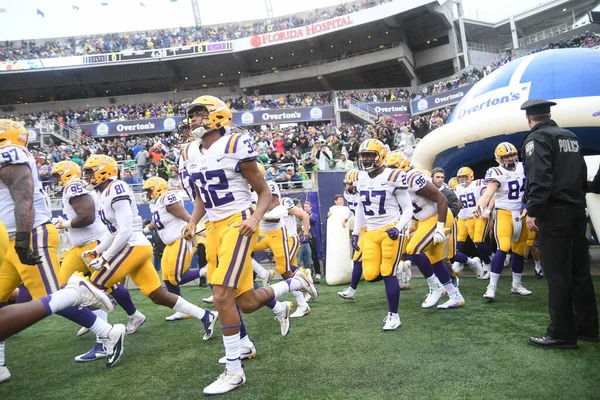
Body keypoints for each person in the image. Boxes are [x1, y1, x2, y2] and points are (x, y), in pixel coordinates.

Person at [181, 95, 317, 395]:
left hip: (238, 221)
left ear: (216, 116)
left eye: (199, 114)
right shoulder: (190, 150)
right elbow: (204, 194)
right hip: (214, 226)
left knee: (220, 296)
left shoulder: (235, 144)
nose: (193, 120)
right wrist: (193, 221)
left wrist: (256, 217)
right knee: (245, 301)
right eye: (191, 114)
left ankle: (234, 371)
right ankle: (295, 282)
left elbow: (264, 191)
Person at [0, 121, 126, 380]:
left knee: (52, 297)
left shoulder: (11, 153)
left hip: (30, 234)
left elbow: (24, 196)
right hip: (11, 239)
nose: (56, 179)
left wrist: (24, 238)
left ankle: (106, 330)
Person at [82, 155, 220, 352]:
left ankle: (103, 343)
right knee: (158, 295)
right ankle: (206, 315)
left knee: (94, 286)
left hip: (133, 246)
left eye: (90, 171)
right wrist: (97, 250)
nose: (87, 176)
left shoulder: (116, 188)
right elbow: (115, 232)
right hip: (133, 245)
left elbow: (125, 231)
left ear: (103, 171)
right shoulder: (104, 194)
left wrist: (104, 257)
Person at [520, 98, 598, 348]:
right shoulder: (570, 136)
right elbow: (580, 172)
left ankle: (561, 334)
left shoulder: (536, 139)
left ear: (529, 119)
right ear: (548, 114)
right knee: (580, 272)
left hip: (554, 214)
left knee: (557, 275)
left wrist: (532, 210)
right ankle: (588, 328)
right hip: (576, 210)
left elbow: (540, 177)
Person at [51, 161, 144, 362]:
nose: (55, 179)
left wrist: (62, 223)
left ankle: (104, 339)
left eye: (58, 174)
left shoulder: (73, 186)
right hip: (81, 246)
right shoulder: (80, 187)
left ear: (66, 174)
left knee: (97, 288)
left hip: (93, 243)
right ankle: (115, 317)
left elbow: (87, 217)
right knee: (63, 290)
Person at [351, 140, 413, 330]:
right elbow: (361, 206)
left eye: (370, 155)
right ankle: (400, 268)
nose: (365, 159)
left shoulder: (394, 175)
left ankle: (394, 316)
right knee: (370, 274)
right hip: (370, 231)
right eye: (363, 156)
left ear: (381, 156)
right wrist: (356, 232)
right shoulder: (360, 177)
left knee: (387, 272)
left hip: (390, 229)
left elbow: (407, 208)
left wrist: (399, 227)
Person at [393, 152, 466, 310]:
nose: (390, 173)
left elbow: (442, 199)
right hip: (426, 220)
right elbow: (411, 208)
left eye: (393, 169)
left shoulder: (412, 178)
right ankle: (455, 297)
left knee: (414, 249)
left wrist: (440, 227)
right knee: (435, 260)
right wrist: (411, 225)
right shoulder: (395, 184)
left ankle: (436, 287)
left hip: (438, 217)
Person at [142, 177, 207, 322]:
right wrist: (145, 231)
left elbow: (186, 216)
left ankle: (205, 271)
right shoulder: (157, 203)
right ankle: (182, 310)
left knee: (176, 278)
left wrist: (202, 231)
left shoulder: (168, 198)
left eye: (148, 190)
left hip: (182, 240)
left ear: (157, 188)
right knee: (167, 279)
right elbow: (156, 222)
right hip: (170, 244)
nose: (146, 194)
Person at [477, 142, 532, 302]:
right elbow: (488, 194)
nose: (510, 158)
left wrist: (527, 205)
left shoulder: (524, 167)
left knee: (519, 249)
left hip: (522, 212)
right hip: (504, 213)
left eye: (513, 155)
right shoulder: (496, 172)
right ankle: (492, 287)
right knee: (503, 248)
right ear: (499, 158)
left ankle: (517, 284)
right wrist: (480, 205)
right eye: (506, 156)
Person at [452, 166, 491, 279]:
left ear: (470, 176)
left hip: (477, 216)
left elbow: (488, 196)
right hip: (463, 217)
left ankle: (488, 263)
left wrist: (488, 211)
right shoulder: (457, 188)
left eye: (464, 177)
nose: (461, 180)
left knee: (478, 242)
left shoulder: (478, 184)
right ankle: (459, 263)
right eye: (460, 177)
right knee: (459, 242)